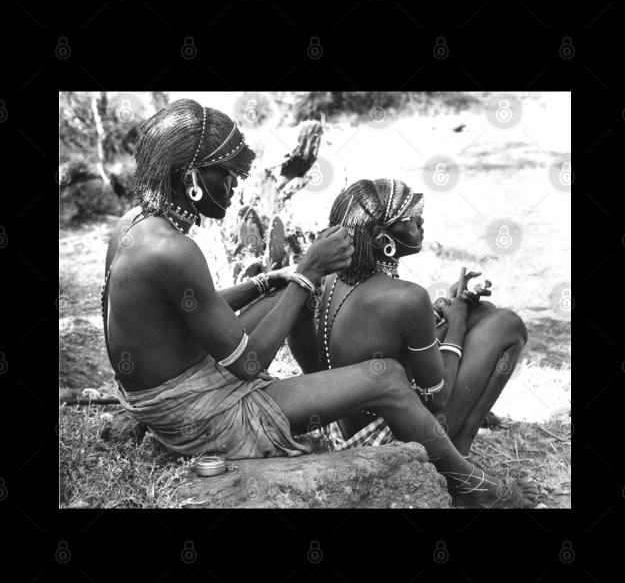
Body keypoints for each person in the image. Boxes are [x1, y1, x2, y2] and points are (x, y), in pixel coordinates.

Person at [102, 99, 536, 507]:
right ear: (192, 179)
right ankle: (474, 487)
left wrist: (272, 280)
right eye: (227, 174)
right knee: (385, 376)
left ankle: (338, 405)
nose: (235, 186)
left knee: (280, 295)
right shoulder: (173, 251)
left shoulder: (134, 226)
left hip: (178, 388)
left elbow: (196, 305)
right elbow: (248, 365)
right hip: (205, 418)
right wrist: (307, 275)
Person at [305, 178, 537, 507]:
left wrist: (451, 309)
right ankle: (461, 469)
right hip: (388, 437)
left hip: (341, 428)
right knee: (508, 326)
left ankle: (456, 461)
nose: (421, 223)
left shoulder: (331, 277)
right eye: (410, 219)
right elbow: (437, 397)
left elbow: (393, 337)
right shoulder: (407, 297)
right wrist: (453, 323)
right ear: (383, 239)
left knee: (481, 312)